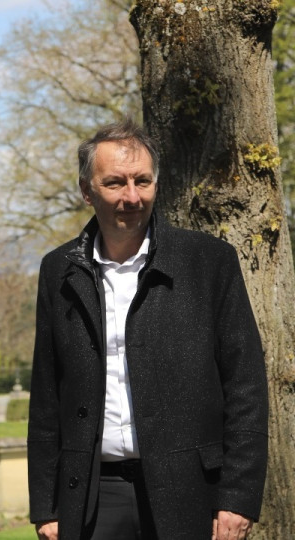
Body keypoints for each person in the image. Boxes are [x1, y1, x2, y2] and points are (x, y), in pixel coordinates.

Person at [28, 120, 268, 540]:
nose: (132, 197)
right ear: (87, 191)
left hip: (193, 494)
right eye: (116, 183)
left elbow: (245, 384)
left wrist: (238, 495)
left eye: (143, 181)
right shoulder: (58, 270)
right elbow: (47, 394)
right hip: (92, 497)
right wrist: (46, 507)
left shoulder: (208, 262)